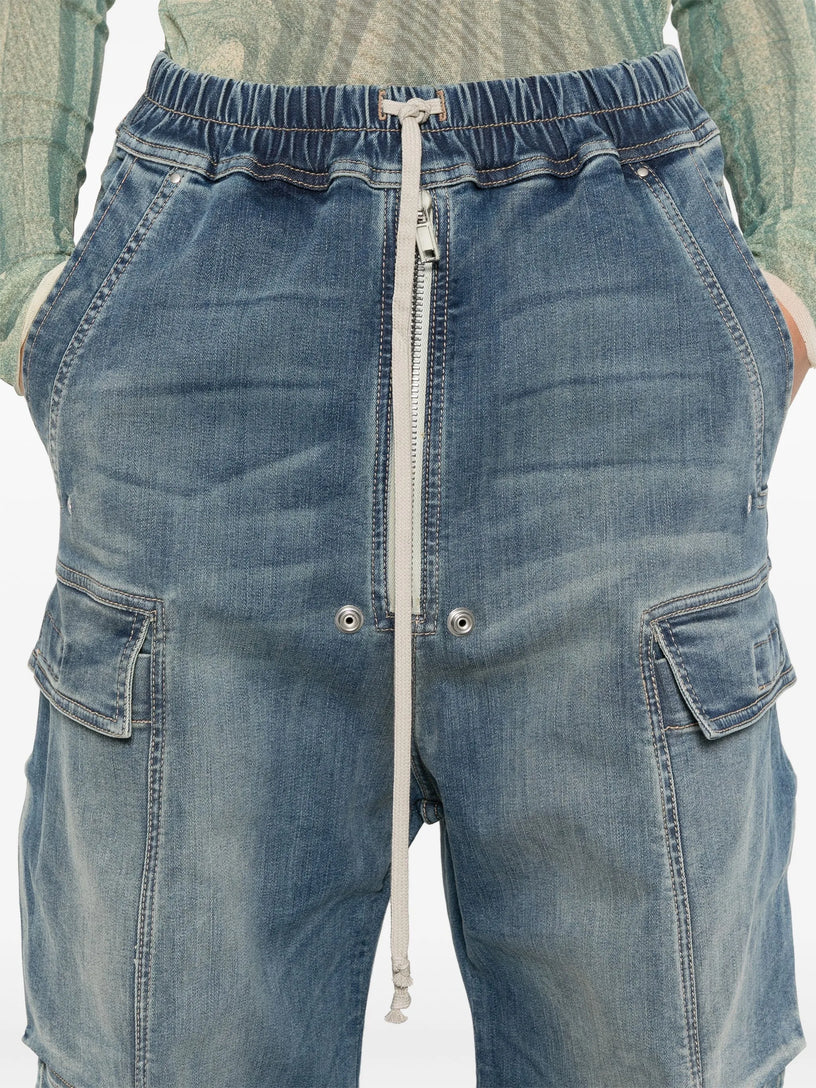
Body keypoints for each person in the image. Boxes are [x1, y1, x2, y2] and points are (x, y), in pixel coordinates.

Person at [1, 2, 814, 1086]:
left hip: (615, 303)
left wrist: (795, 263)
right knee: (174, 1050)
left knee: (654, 1052)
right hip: (215, 294)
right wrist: (22, 280)